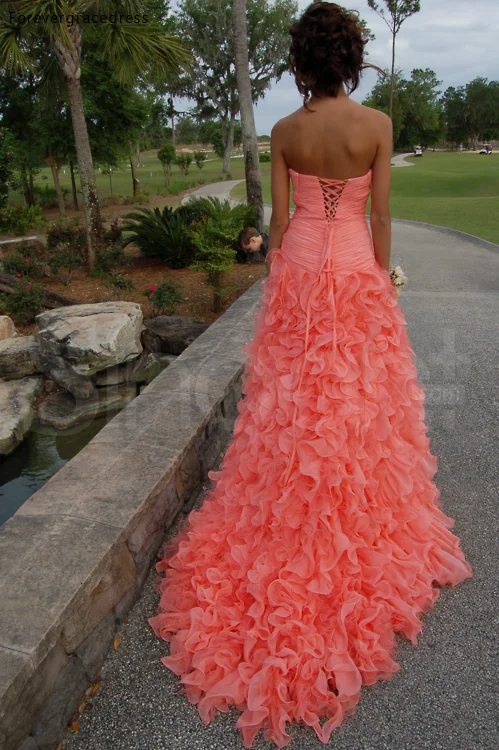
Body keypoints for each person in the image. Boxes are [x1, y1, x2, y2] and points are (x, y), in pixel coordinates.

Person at [148, 3, 473, 747]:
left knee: (291, 403)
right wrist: (381, 281)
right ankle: (352, 519)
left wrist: (286, 273)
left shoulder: (286, 131)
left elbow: (284, 219)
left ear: (299, 62)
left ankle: (289, 515)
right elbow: (380, 218)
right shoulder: (377, 127)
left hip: (297, 271)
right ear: (351, 59)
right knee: (357, 403)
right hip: (356, 268)